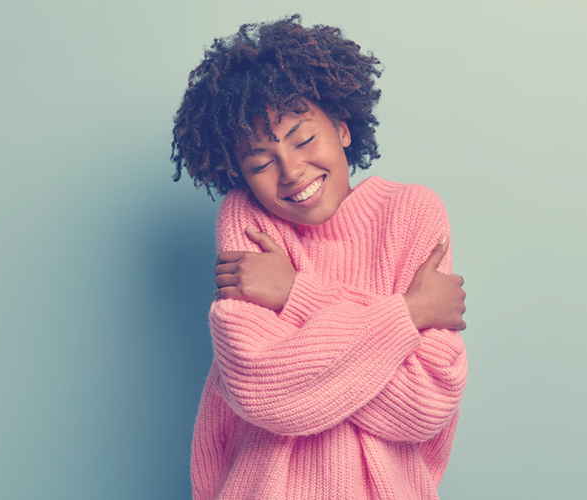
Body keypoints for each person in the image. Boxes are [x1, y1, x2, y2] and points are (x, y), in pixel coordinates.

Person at [171, 15, 468, 500]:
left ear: (343, 128)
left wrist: (295, 295)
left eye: (304, 139)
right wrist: (407, 315)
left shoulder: (413, 213)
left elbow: (425, 402)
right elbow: (260, 386)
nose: (290, 171)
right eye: (261, 163)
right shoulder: (247, 218)